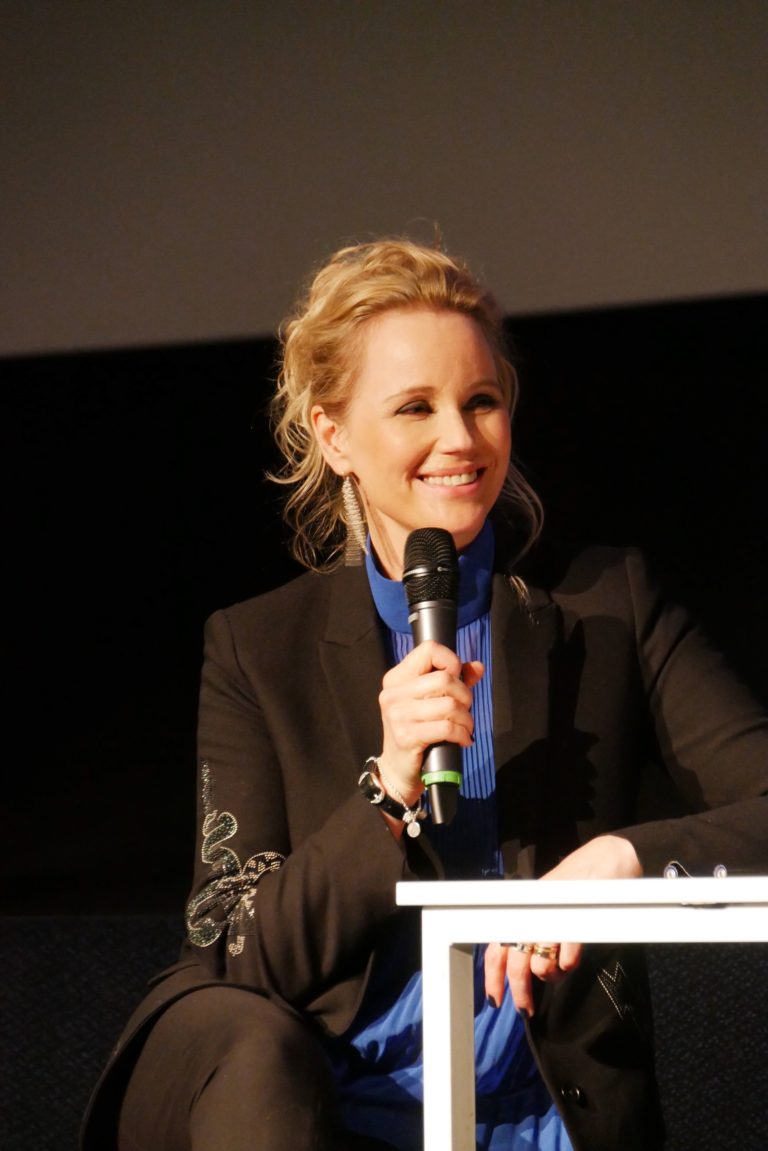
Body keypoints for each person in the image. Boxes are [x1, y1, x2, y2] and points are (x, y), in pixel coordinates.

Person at [81, 238, 768, 1151]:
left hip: (540, 1116)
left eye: (481, 401)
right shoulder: (258, 648)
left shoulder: (609, 604)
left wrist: (621, 859)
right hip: (317, 1112)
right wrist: (386, 787)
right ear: (334, 437)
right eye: (415, 406)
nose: (461, 438)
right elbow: (235, 956)